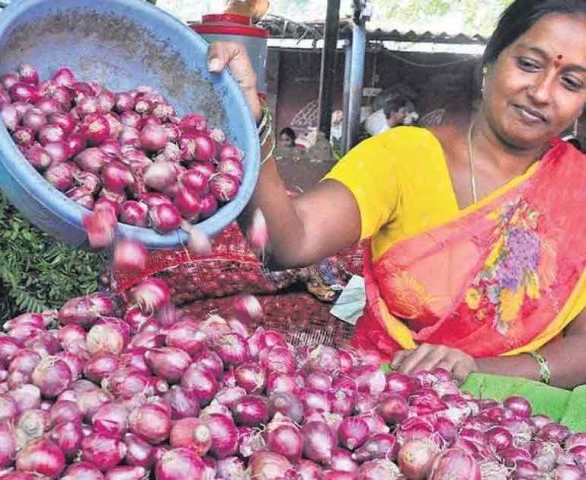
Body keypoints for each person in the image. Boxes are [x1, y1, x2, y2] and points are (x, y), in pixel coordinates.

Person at [207, 0, 586, 388]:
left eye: (571, 82)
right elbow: (288, 243)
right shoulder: (403, 156)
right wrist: (250, 122)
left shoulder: (579, 190)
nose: (541, 92)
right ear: (489, 65)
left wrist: (476, 370)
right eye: (527, 64)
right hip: (382, 401)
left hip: (519, 416)